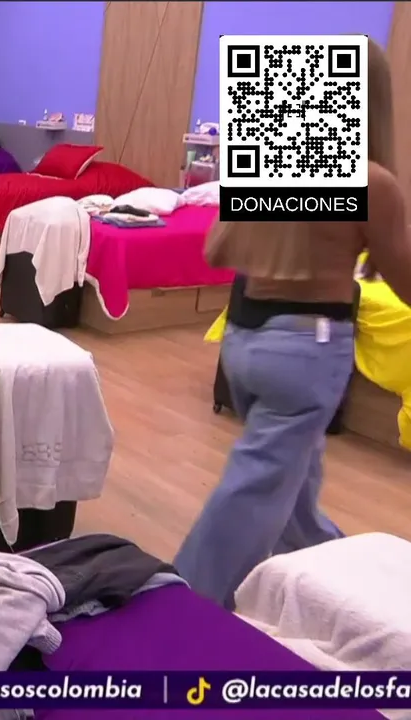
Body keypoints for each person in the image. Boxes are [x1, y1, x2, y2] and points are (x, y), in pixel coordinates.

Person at [174, 37, 411, 609]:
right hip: (306, 352)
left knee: (293, 479)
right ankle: (180, 607)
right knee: (257, 486)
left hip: (244, 343)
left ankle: (327, 575)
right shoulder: (371, 182)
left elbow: (215, 251)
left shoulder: (269, 169)